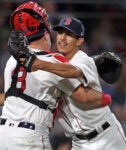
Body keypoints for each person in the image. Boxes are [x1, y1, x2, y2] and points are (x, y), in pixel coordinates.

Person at [0, 1, 112, 150]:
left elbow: (18, 96)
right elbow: (83, 97)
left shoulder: (12, 61)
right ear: (46, 33)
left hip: (2, 138)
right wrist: (106, 97)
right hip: (30, 138)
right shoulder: (53, 61)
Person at [28, 17, 126, 149]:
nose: (62, 38)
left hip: (107, 136)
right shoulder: (54, 65)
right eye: (60, 33)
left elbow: (73, 74)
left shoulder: (83, 60)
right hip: (79, 143)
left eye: (68, 34)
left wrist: (39, 64)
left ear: (79, 40)